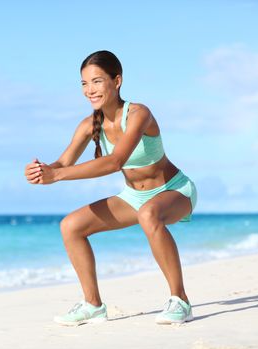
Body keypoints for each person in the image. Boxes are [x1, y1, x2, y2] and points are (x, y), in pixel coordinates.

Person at [24, 50, 197, 326]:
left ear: (117, 81)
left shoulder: (139, 114)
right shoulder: (88, 125)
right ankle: (93, 305)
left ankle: (180, 300)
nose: (89, 90)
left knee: (148, 215)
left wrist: (57, 176)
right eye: (84, 83)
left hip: (174, 191)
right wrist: (41, 171)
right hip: (134, 197)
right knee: (71, 226)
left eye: (96, 81)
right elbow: (62, 163)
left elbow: (116, 162)